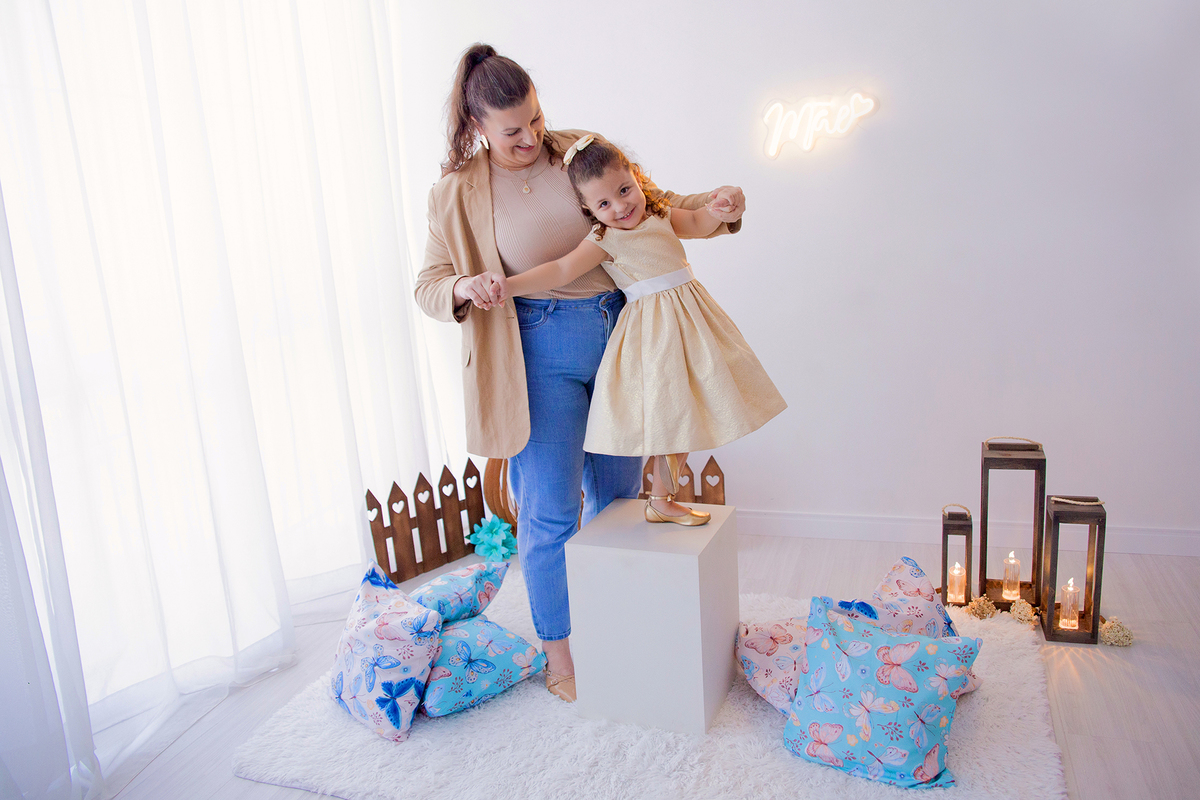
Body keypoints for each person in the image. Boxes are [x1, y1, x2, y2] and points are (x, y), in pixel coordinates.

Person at [413, 43, 745, 703]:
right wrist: (464, 286)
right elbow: (427, 284)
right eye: (513, 131)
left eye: (536, 119)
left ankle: (622, 626)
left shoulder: (578, 150)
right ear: (478, 126)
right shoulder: (454, 194)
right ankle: (560, 656)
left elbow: (653, 204)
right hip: (535, 355)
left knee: (620, 503)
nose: (531, 138)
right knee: (552, 513)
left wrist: (718, 207)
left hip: (625, 339)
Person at [484, 136, 787, 525]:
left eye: (625, 191)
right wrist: (508, 286)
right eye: (604, 204)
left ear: (636, 179)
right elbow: (560, 270)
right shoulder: (603, 239)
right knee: (673, 412)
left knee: (699, 403)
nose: (621, 206)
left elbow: (696, 222)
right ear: (588, 209)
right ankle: (661, 499)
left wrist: (717, 207)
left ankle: (663, 497)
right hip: (654, 332)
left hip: (692, 320)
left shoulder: (660, 214)